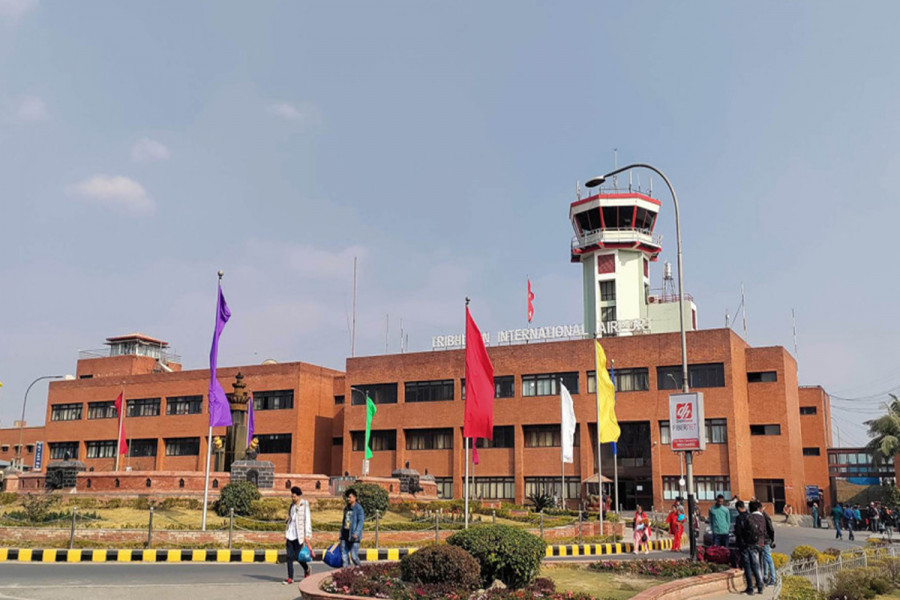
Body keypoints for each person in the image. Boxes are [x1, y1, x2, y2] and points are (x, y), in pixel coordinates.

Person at [283, 486, 312, 584]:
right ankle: (290, 578)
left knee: (297, 556)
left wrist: (307, 535)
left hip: (299, 535)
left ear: (299, 496)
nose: (293, 499)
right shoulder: (292, 505)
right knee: (289, 557)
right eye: (292, 497)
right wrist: (287, 519)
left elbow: (307, 521)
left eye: (294, 497)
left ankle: (307, 568)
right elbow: (291, 518)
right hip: (290, 534)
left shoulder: (305, 505)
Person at [734, 500, 764, 595]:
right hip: (753, 543)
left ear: (738, 508)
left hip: (744, 545)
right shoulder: (750, 516)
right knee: (755, 565)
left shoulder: (740, 518)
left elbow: (739, 532)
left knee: (747, 566)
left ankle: (750, 588)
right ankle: (760, 586)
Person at [340, 488, 365, 566]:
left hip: (354, 536)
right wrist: (341, 534)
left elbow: (360, 522)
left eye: (350, 497)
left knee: (354, 556)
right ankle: (346, 574)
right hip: (345, 535)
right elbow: (343, 521)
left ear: (355, 498)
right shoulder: (346, 508)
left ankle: (361, 570)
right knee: (344, 557)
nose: (348, 499)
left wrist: (357, 533)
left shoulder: (359, 509)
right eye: (347, 497)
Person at [759, 504, 777, 586]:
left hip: (766, 540)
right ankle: (765, 576)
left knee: (768, 558)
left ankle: (773, 578)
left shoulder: (765, 517)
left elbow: (771, 529)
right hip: (763, 539)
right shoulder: (761, 516)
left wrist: (772, 540)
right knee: (764, 558)